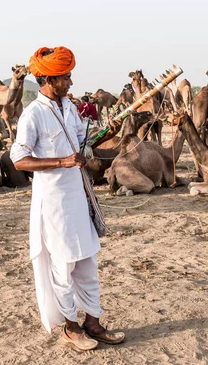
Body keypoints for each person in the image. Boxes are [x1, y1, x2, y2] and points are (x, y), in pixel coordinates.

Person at [10, 46, 125, 351]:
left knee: (87, 262)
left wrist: (105, 133)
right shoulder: (33, 114)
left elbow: (82, 142)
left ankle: (93, 322)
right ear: (48, 78)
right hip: (55, 202)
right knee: (63, 266)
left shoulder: (69, 107)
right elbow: (18, 159)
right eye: (65, 77)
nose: (70, 83)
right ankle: (70, 328)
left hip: (78, 195)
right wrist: (60, 162)